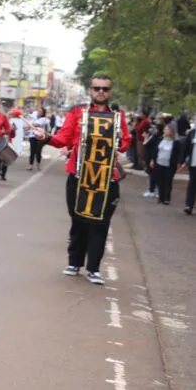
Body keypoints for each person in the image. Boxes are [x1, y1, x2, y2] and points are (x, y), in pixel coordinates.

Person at [34, 74, 131, 285]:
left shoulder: (118, 117)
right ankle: (74, 262)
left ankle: (94, 268)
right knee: (78, 218)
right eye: (97, 88)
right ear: (90, 90)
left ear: (110, 92)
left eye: (105, 89)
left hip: (106, 179)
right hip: (79, 176)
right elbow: (63, 139)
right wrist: (47, 137)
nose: (101, 92)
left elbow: (125, 144)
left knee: (100, 223)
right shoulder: (77, 113)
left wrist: (117, 139)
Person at [149, 123, 181, 206]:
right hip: (159, 162)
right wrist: (153, 159)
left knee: (168, 181)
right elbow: (156, 150)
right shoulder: (160, 139)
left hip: (169, 164)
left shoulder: (176, 142)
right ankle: (161, 197)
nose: (165, 131)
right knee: (160, 181)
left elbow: (178, 154)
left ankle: (167, 198)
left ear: (172, 131)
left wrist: (179, 163)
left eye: (167, 129)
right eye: (165, 129)